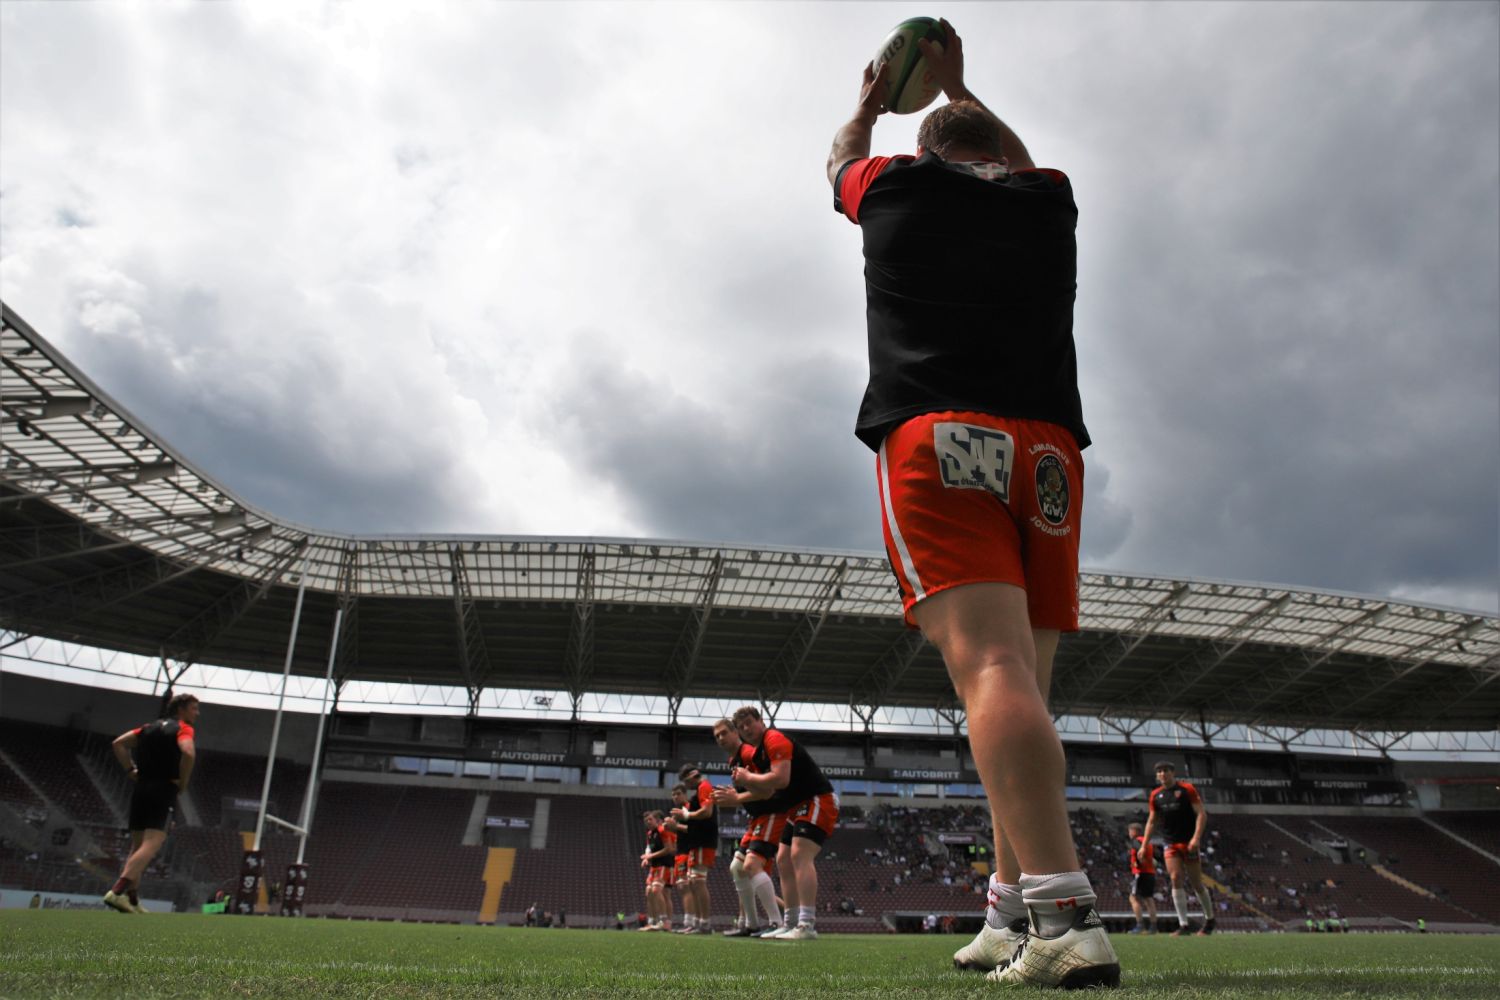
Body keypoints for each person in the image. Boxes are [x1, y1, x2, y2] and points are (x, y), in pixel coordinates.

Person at [826, 17, 1116, 989]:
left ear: (924, 148)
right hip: (1049, 452)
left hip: (941, 431)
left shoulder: (892, 186)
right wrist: (961, 90)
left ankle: (1065, 915)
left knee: (991, 670)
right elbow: (1022, 162)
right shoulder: (1046, 200)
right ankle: (1009, 909)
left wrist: (873, 105)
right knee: (1020, 683)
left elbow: (839, 160)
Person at [728, 705, 837, 941]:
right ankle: (790, 923)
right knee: (783, 860)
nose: (746, 729)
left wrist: (748, 777)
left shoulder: (774, 739)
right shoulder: (758, 754)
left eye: (749, 723)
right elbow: (767, 792)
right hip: (795, 806)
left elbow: (781, 779)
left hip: (817, 798)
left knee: (799, 854)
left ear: (761, 721)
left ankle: (806, 924)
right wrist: (738, 793)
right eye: (741, 727)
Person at [102, 692, 199, 914]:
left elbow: (118, 744)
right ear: (181, 709)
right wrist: (183, 781)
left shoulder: (148, 728)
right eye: (194, 708)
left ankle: (132, 900)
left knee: (137, 847)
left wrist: (130, 770)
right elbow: (188, 753)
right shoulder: (183, 728)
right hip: (164, 790)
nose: (197, 713)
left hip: (141, 788)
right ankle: (117, 891)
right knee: (153, 843)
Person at [712, 717, 781, 937]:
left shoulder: (749, 754)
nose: (720, 738)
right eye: (717, 736)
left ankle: (777, 923)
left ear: (736, 732)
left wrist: (736, 798)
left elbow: (769, 791)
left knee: (750, 866)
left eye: (724, 733)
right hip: (757, 818)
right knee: (737, 867)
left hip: (771, 813)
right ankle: (751, 924)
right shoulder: (734, 761)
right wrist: (734, 795)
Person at [1139, 761, 1214, 936]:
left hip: (1189, 842)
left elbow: (1201, 814)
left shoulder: (1187, 789)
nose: (1162, 773)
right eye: (1159, 771)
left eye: (1165, 770)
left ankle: (1210, 919)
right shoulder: (1155, 795)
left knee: (1196, 883)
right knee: (1175, 878)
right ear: (1157, 775)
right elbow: (1152, 821)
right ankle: (1183, 924)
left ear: (1172, 773)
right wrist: (1144, 845)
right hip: (1170, 843)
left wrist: (1196, 838)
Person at [672, 764, 718, 934]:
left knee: (698, 882)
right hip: (697, 841)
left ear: (692, 775)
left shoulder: (704, 786)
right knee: (693, 882)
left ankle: (704, 923)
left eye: (686, 781)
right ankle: (698, 922)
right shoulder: (700, 789)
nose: (686, 785)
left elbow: (707, 812)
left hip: (704, 840)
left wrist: (686, 815)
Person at [639, 809, 676, 931]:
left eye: (650, 819)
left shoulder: (662, 830)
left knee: (658, 890)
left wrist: (650, 856)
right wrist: (646, 858)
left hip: (665, 864)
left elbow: (669, 849)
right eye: (646, 820)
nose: (648, 822)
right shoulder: (650, 833)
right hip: (655, 865)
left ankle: (664, 921)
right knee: (649, 891)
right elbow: (649, 848)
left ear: (657, 820)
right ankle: (652, 921)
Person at [1126, 822, 1158, 934]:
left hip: (1140, 873)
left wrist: (1138, 863)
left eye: (1130, 831)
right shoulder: (1147, 842)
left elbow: (1140, 852)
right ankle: (1153, 926)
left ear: (1134, 831)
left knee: (1133, 898)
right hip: (1150, 873)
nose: (1129, 833)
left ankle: (1140, 925)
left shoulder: (1136, 841)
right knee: (1149, 899)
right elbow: (1156, 856)